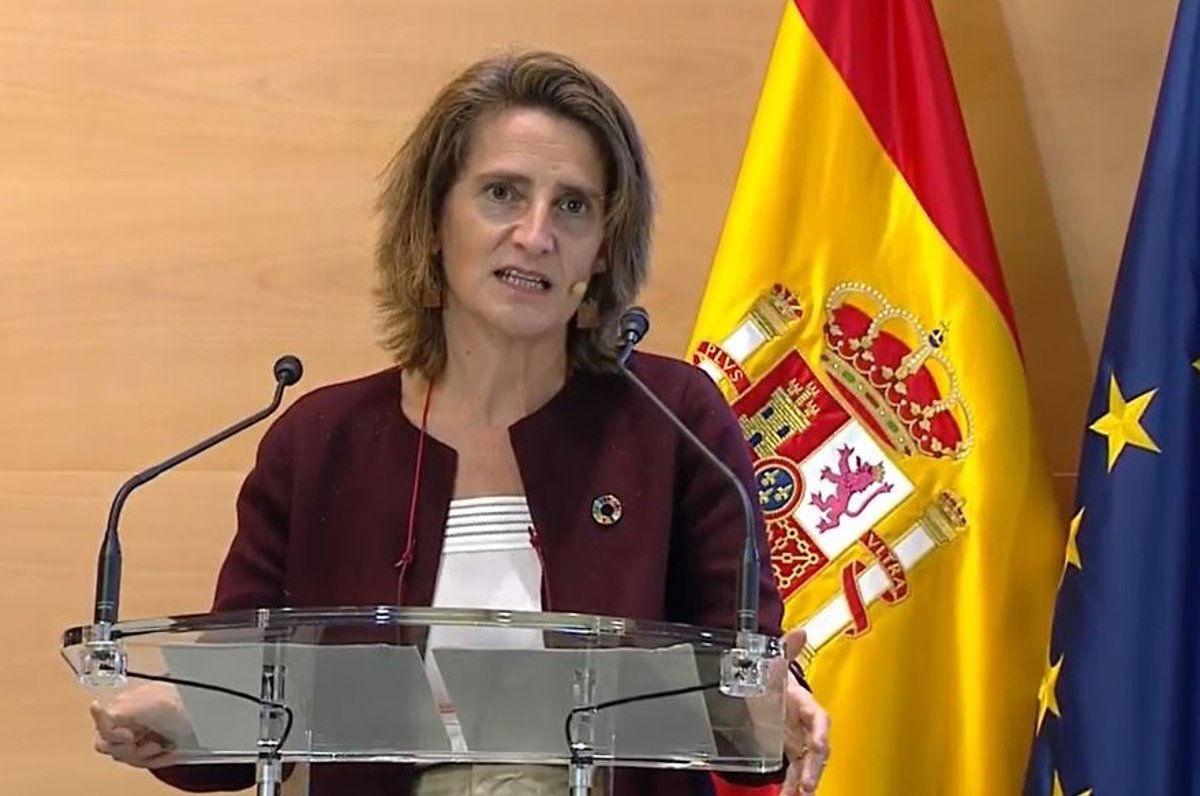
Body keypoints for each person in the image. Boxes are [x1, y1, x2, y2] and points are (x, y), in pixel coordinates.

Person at [90, 49, 831, 795]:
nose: (536, 235)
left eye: (573, 206)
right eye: (503, 194)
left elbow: (743, 678)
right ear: (434, 223)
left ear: (605, 249)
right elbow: (243, 699)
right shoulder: (319, 442)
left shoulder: (673, 421)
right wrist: (176, 719)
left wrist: (773, 707)